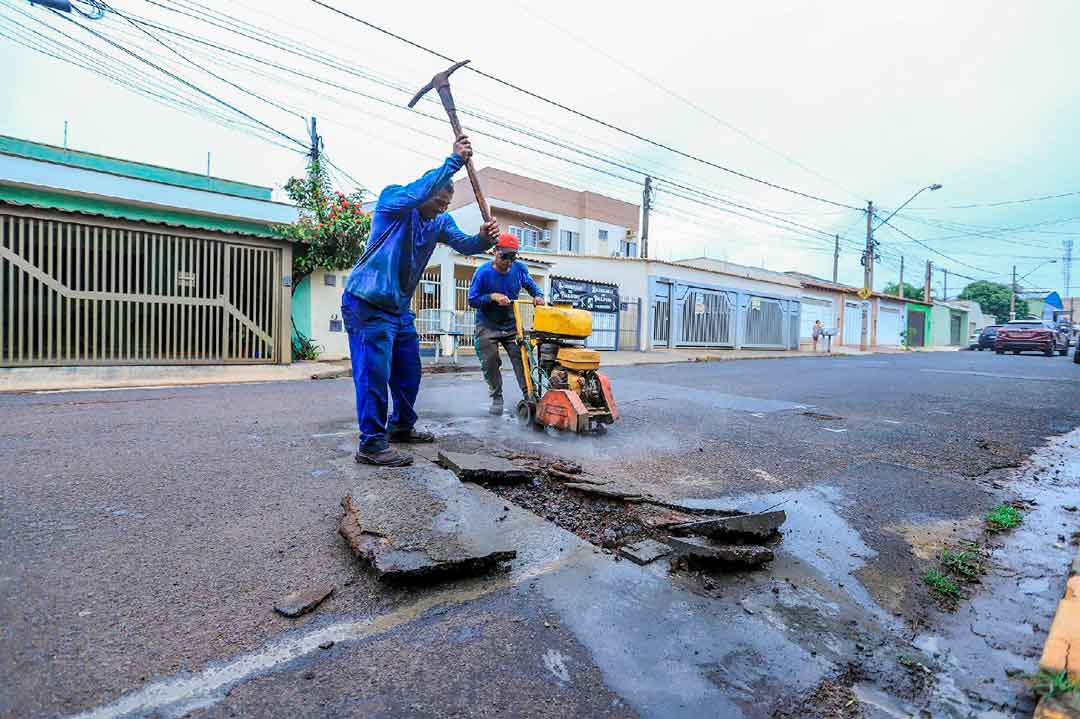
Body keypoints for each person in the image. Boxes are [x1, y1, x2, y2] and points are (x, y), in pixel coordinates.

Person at [341, 135, 499, 466]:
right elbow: (417, 192)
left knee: (409, 370)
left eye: (446, 204)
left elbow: (465, 244)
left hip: (398, 309)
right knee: (374, 374)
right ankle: (371, 443)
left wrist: (484, 239)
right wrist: (454, 161)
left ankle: (401, 426)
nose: (442, 208)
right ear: (427, 192)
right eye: (439, 200)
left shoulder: (438, 221)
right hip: (367, 302)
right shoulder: (394, 202)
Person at [468, 233, 545, 415]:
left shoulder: (520, 269)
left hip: (511, 324)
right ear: (495, 252)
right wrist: (492, 297)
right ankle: (497, 397)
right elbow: (472, 300)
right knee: (490, 359)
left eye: (512, 257)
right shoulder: (483, 273)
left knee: (522, 359)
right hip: (488, 324)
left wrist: (538, 296)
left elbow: (532, 286)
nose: (508, 262)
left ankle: (530, 396)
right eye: (505, 257)